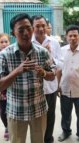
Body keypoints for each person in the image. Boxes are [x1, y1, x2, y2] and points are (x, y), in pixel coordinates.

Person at [0, 13, 55, 143]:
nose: (26, 33)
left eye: (28, 28)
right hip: (16, 111)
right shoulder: (4, 55)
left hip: (39, 109)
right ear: (13, 33)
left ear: (32, 29)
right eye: (21, 30)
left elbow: (52, 75)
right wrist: (17, 71)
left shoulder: (42, 52)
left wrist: (43, 72)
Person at [31, 15, 62, 143]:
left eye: (43, 25)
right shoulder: (28, 43)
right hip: (34, 88)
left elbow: (60, 64)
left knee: (50, 116)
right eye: (37, 26)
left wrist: (49, 55)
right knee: (36, 118)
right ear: (32, 28)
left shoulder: (53, 42)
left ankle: (48, 139)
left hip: (50, 88)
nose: (41, 29)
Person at [58, 25, 79, 143]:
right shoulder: (62, 51)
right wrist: (57, 85)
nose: (73, 38)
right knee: (65, 113)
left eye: (75, 35)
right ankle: (66, 131)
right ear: (66, 37)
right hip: (65, 88)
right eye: (70, 36)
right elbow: (59, 69)